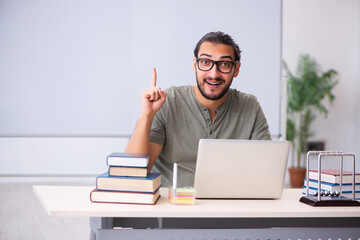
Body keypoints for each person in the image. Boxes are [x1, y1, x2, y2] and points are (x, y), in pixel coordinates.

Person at [125, 31, 271, 187]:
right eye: (206, 62)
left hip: (229, 207)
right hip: (173, 207)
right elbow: (132, 174)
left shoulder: (250, 107)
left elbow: (266, 173)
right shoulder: (168, 101)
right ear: (195, 66)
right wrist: (146, 115)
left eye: (225, 64)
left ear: (236, 69)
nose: (214, 74)